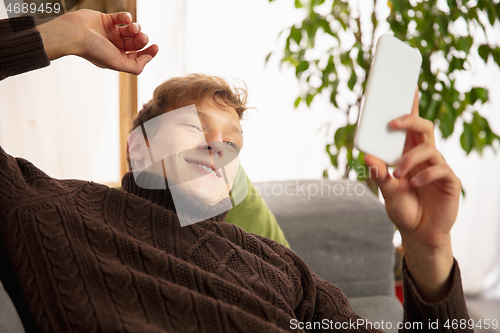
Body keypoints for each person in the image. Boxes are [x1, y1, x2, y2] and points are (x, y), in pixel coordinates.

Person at [0, 9, 472, 333]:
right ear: (138, 149)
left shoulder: (281, 267)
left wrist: (429, 249)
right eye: (192, 126)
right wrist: (66, 34)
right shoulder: (52, 208)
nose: (217, 146)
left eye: (232, 142)